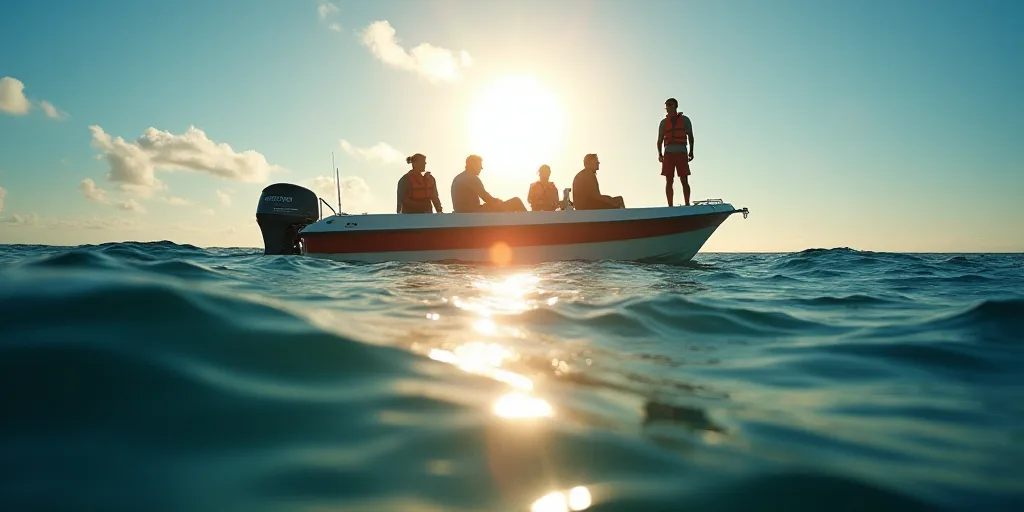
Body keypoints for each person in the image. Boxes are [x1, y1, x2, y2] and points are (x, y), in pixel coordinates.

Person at [451, 155, 527, 213]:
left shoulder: (459, 178)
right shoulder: (471, 178)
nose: (481, 168)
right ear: (473, 164)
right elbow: (486, 197)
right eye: (479, 165)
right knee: (516, 202)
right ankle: (530, 226)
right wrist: (498, 202)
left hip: (465, 213)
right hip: (475, 214)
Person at [657, 97, 694, 206]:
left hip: (681, 152)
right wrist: (660, 154)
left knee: (684, 180)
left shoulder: (685, 120)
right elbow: (659, 139)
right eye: (666, 105)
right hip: (668, 154)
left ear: (675, 106)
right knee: (669, 181)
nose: (667, 107)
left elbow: (691, 136)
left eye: (670, 105)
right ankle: (670, 205)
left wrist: (691, 151)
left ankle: (687, 204)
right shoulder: (663, 123)